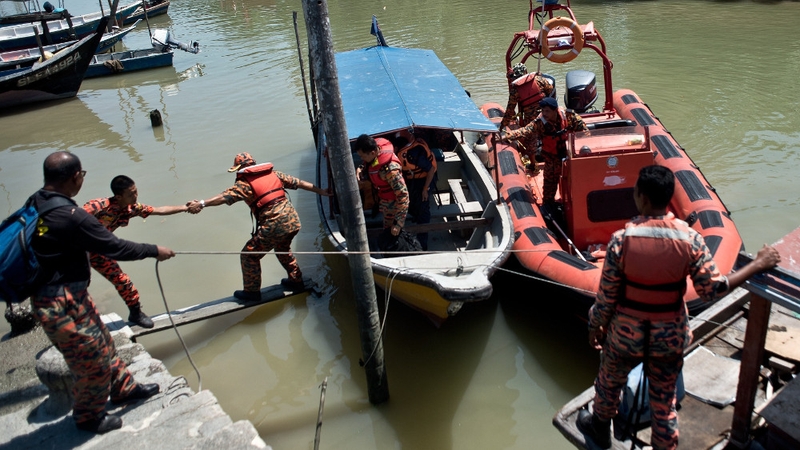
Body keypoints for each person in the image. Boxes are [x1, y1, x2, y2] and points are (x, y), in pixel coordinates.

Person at [577, 165, 781, 450]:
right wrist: (758, 264)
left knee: (609, 382)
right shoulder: (691, 240)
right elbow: (713, 289)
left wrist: (594, 326)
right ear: (669, 198)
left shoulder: (620, 242)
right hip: (669, 336)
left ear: (641, 197)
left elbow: (606, 298)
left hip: (625, 334)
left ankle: (598, 426)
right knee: (664, 401)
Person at [30, 152, 175, 434]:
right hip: (58, 302)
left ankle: (124, 388)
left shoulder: (39, 202)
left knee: (105, 345)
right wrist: (154, 250)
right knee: (91, 362)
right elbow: (116, 247)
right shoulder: (75, 214)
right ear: (76, 177)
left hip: (72, 293)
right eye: (82, 175)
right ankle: (88, 417)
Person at [186, 152, 331, 301]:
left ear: (239, 168)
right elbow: (299, 183)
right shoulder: (275, 175)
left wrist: (201, 203)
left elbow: (223, 197)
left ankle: (252, 292)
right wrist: (321, 191)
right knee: (282, 249)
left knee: (249, 256)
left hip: (275, 224)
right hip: (293, 220)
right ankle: (296, 281)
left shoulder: (244, 185)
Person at [83, 175, 192, 329]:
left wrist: (185, 207)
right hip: (77, 252)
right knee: (79, 286)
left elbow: (159, 210)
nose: (135, 196)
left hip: (100, 251)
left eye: (136, 192)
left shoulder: (131, 208)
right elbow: (70, 220)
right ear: (119, 196)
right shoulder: (97, 206)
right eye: (131, 194)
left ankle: (135, 313)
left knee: (123, 281)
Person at [500, 96, 587, 205]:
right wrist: (507, 136)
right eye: (543, 111)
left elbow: (585, 132)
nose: (544, 114)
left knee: (575, 183)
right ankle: (549, 207)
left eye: (547, 111)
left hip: (569, 156)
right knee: (549, 188)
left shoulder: (570, 117)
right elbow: (526, 130)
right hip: (552, 159)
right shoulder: (540, 122)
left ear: (555, 110)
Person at [354, 134, 410, 238]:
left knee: (391, 233)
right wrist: (361, 168)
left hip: (393, 205)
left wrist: (398, 223)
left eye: (363, 156)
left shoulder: (390, 171)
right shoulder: (374, 153)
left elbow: (403, 196)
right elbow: (369, 163)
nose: (362, 158)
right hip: (382, 199)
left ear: (373, 152)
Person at [392, 131, 437, 250]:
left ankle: (423, 243)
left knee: (423, 209)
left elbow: (431, 169)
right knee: (412, 204)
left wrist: (425, 189)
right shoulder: (404, 151)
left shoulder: (414, 154)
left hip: (425, 180)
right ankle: (416, 217)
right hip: (413, 180)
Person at [499, 63, 555, 130]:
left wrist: (502, 126)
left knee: (530, 134)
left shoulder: (515, 91)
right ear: (526, 71)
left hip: (530, 121)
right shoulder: (538, 79)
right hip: (546, 114)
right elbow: (550, 89)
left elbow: (510, 110)